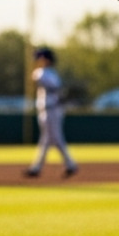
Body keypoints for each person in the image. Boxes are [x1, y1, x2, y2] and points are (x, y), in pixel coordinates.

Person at [24, 47, 77, 179]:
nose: (38, 61)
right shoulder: (50, 74)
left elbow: (39, 77)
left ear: (46, 59)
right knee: (47, 140)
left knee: (55, 139)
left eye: (40, 58)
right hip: (48, 109)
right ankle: (37, 167)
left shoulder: (46, 73)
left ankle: (70, 164)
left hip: (52, 109)